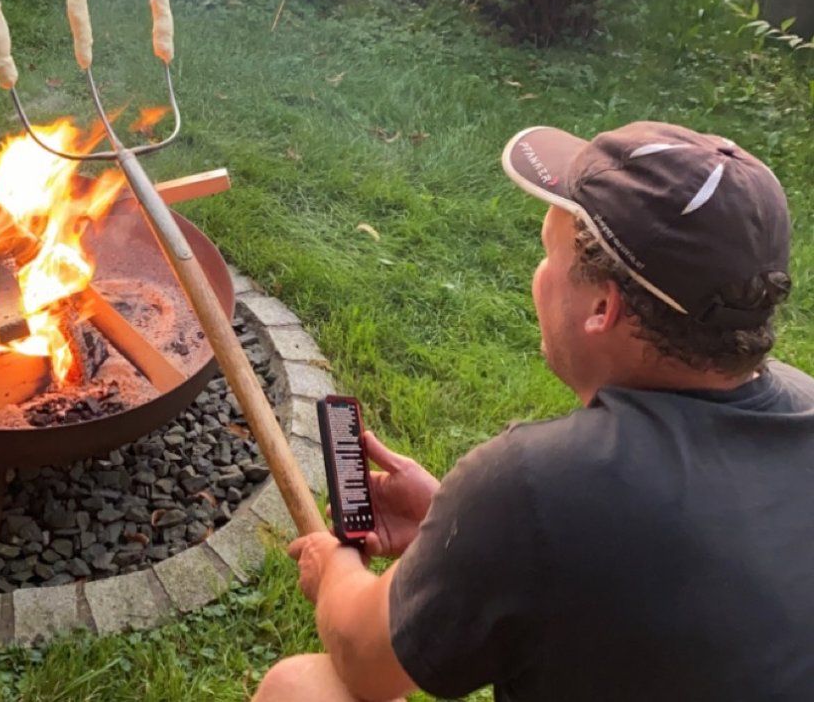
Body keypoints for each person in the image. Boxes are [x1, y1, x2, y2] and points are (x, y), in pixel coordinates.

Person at [253, 121, 814, 701]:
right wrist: (463, 537)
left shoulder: (537, 485)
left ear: (603, 306)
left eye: (548, 254)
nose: (537, 275)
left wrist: (333, 567)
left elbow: (365, 658)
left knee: (300, 687)